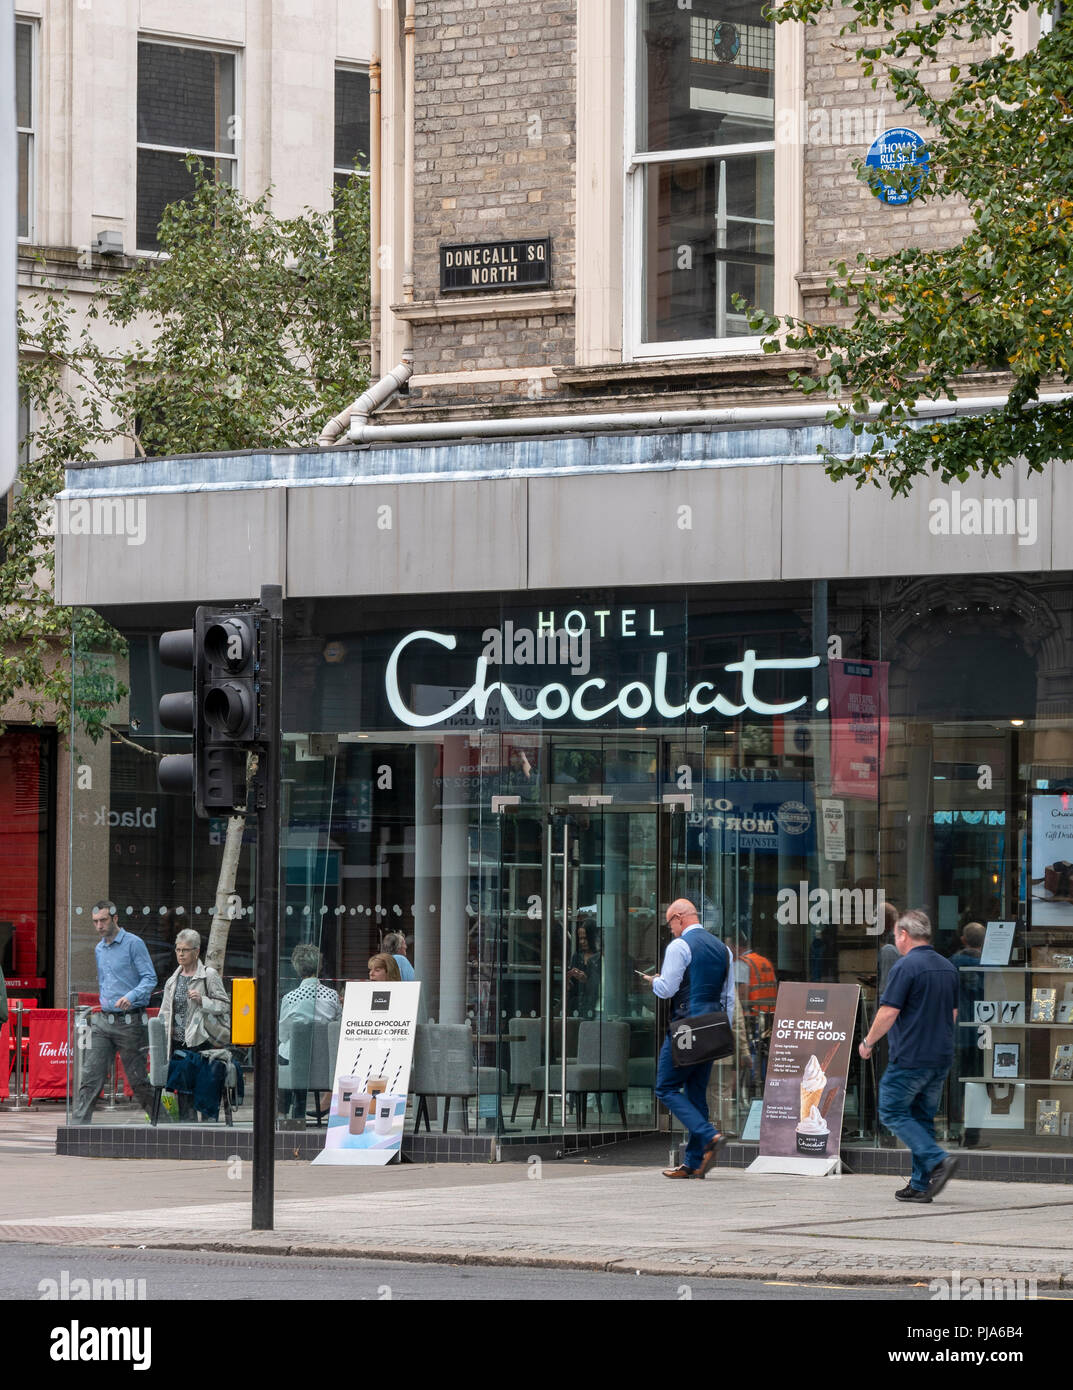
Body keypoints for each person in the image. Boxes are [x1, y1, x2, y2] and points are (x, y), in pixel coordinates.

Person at [858, 908, 959, 1202]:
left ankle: (938, 1159)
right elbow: (951, 1013)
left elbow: (889, 1011)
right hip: (940, 1055)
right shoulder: (947, 967)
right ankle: (920, 1184)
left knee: (891, 1109)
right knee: (922, 1117)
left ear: (904, 935)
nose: (896, 941)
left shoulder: (905, 967)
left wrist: (868, 1042)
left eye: (896, 936)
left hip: (911, 1055)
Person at [642, 898, 733, 1180]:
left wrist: (653, 981)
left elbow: (668, 989)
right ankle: (693, 1163)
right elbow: (728, 997)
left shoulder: (679, 946)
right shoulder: (724, 949)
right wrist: (723, 1030)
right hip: (713, 1027)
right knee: (696, 1093)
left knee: (665, 1088)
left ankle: (709, 1135)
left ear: (680, 918)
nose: (671, 930)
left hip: (686, 1028)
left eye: (670, 923)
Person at [73, 900, 157, 1125]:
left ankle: (164, 1123)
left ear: (115, 919)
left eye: (103, 920)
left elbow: (150, 978)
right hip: (103, 1021)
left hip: (130, 1022)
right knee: (90, 1076)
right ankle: (78, 1127)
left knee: (138, 1081)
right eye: (95, 922)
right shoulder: (99, 948)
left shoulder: (133, 944)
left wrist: (131, 996)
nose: (99, 926)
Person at [159, 928, 231, 1121]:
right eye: (178, 949)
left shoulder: (209, 975)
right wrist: (164, 1035)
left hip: (203, 1042)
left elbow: (225, 1005)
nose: (180, 954)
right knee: (183, 1094)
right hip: (178, 1044)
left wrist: (203, 1001)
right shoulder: (172, 980)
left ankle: (209, 1133)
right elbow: (164, 1013)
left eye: (185, 950)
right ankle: (186, 1131)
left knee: (205, 1092)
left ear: (196, 951)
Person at [279, 943, 342, 1122]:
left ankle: (284, 1113)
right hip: (324, 1063)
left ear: (297, 968)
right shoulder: (332, 996)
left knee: (284, 1051)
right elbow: (338, 1024)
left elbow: (283, 1034)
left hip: (298, 1064)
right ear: (319, 966)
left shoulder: (290, 998)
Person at [947, 921, 986, 1148]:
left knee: (956, 1083)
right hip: (981, 1033)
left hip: (957, 1032)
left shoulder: (951, 964)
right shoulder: (990, 965)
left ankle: (953, 1131)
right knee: (977, 1084)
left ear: (963, 940)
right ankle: (972, 1136)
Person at [566, 921, 601, 1017]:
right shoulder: (577, 957)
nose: (582, 942)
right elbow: (572, 988)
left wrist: (586, 980)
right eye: (580, 938)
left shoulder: (599, 958)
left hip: (595, 1007)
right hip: (578, 1007)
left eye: (585, 938)